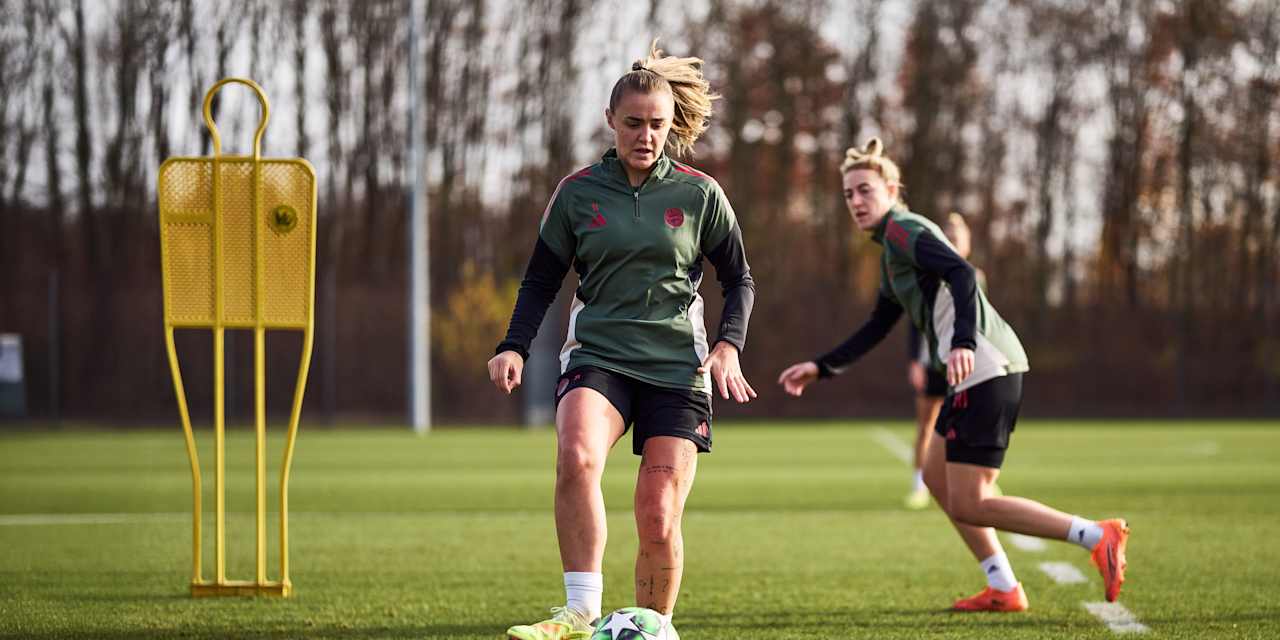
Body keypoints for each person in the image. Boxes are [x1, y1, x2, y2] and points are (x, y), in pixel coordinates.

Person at [777, 138, 1128, 612]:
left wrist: (962, 341)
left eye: (865, 190)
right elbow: (879, 323)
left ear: (891, 190)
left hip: (986, 366)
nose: (856, 201)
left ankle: (1096, 536)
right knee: (935, 476)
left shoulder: (904, 229)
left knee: (971, 501)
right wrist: (822, 366)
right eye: (848, 194)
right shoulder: (891, 252)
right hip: (973, 372)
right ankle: (1003, 586)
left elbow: (962, 273)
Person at [490, 41, 756, 640]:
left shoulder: (699, 194)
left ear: (672, 124)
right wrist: (513, 345)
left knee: (657, 516)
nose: (646, 135)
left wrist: (728, 344)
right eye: (634, 123)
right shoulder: (577, 192)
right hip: (599, 357)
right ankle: (578, 613)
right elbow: (540, 280)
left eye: (657, 124)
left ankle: (653, 627)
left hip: (677, 368)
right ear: (611, 120)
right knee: (576, 457)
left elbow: (738, 278)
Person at [904, 213, 982, 510]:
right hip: (934, 364)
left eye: (957, 238)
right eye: (947, 238)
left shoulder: (976, 277)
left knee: (968, 426)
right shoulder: (930, 277)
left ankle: (977, 482)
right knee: (926, 425)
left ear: (968, 244)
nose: (952, 242)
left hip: (966, 365)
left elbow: (980, 322)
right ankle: (918, 485)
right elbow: (915, 321)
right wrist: (914, 360)